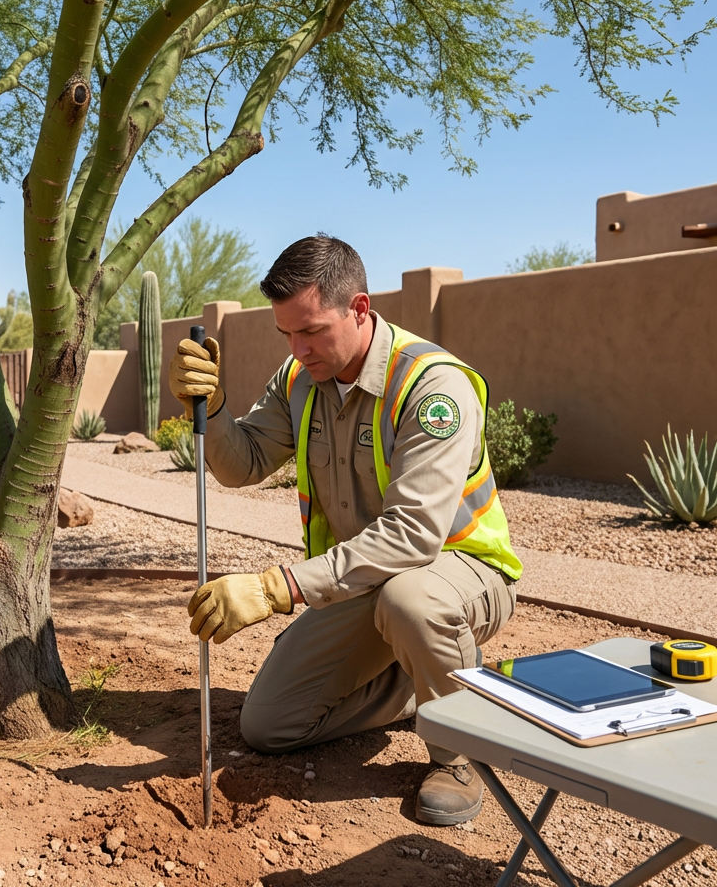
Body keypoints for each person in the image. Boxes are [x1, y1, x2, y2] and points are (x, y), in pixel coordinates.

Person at [168, 234, 522, 826]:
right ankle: (427, 679)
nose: (297, 348)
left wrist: (274, 589)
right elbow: (241, 464)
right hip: (365, 580)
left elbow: (413, 535)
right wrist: (213, 404)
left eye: (311, 331)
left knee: (412, 600)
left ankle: (461, 751)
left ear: (359, 310)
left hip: (458, 571)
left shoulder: (432, 387)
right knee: (269, 726)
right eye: (287, 333)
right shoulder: (299, 380)